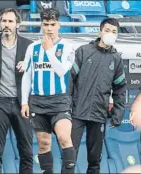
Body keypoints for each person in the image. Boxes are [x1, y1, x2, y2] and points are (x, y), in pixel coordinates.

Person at [21, 8, 76, 174]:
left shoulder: (67, 46)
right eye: (46, 24)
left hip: (59, 101)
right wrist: (24, 101)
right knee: (44, 144)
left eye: (53, 24)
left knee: (64, 138)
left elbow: (61, 71)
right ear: (41, 25)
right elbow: (27, 76)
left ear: (59, 24)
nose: (49, 28)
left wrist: (49, 50)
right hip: (37, 102)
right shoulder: (32, 48)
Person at [70, 18, 127, 173]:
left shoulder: (116, 59)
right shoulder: (83, 51)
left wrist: (118, 114)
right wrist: (67, 107)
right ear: (100, 31)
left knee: (94, 160)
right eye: (107, 30)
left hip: (98, 115)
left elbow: (120, 89)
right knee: (69, 158)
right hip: (77, 113)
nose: (110, 34)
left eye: (114, 32)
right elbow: (70, 80)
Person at [0, 8, 33, 173]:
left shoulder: (28, 46)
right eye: (4, 21)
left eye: (10, 21)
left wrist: (28, 66)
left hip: (22, 104)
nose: (6, 25)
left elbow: (41, 68)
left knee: (26, 152)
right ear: (0, 23)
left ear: (17, 24)